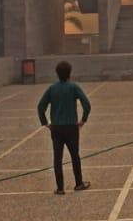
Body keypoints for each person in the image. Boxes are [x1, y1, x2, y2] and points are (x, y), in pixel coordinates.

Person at [37, 61, 92, 195]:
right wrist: (83, 120)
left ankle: (60, 187)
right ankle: (78, 183)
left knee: (57, 158)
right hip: (71, 127)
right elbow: (87, 104)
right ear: (69, 73)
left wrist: (45, 123)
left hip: (56, 128)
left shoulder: (52, 88)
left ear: (57, 74)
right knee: (75, 156)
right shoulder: (73, 87)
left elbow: (40, 107)